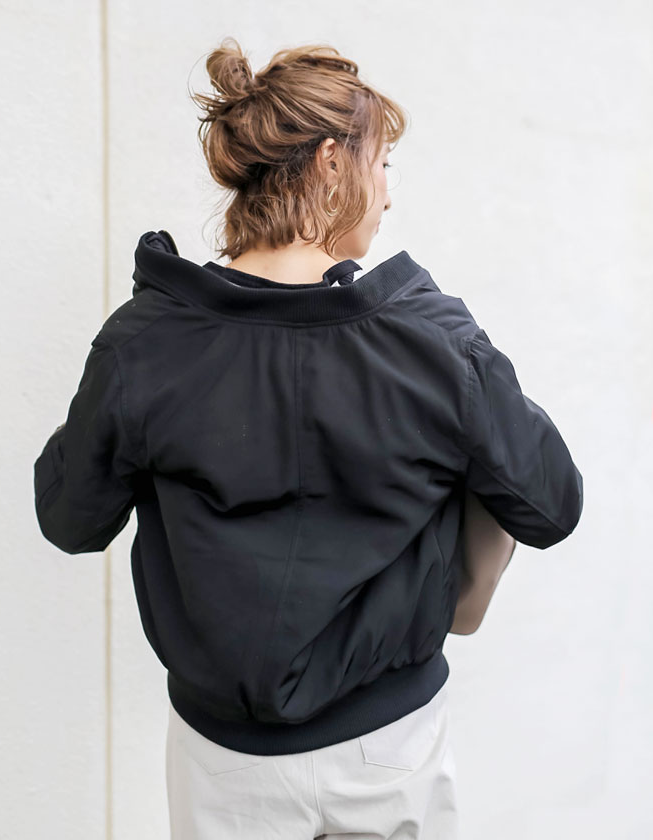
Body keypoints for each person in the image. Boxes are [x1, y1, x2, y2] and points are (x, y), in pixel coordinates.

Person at [33, 37, 583, 840]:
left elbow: (68, 518)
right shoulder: (430, 341)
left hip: (225, 765)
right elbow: (552, 504)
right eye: (382, 164)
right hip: (389, 750)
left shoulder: (147, 341)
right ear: (331, 163)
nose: (387, 194)